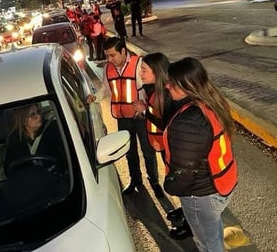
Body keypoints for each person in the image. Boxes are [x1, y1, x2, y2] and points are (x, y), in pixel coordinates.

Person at [163, 57, 238, 251]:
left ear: (188, 86)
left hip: (201, 194)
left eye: (172, 82)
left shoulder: (190, 121)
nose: (167, 86)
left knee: (206, 243)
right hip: (221, 184)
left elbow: (184, 171)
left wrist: (170, 185)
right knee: (213, 234)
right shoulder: (212, 102)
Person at [86, 37, 162, 197]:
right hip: (122, 117)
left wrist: (146, 109)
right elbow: (106, 89)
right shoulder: (108, 69)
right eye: (107, 56)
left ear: (123, 51)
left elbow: (151, 88)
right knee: (129, 151)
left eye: (112, 55)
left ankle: (154, 182)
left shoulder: (138, 66)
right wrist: (96, 97)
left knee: (148, 151)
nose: (109, 59)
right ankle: (136, 180)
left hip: (140, 117)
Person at [133, 52, 192, 239]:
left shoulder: (166, 94)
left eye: (144, 70)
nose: (140, 73)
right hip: (163, 145)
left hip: (173, 148)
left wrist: (145, 112)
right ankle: (186, 212)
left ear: (157, 72)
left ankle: (191, 224)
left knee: (184, 185)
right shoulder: (152, 90)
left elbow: (169, 124)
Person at [3, 103, 65, 176]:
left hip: (53, 177)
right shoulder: (15, 140)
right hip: (28, 181)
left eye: (38, 112)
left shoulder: (53, 129)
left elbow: (63, 158)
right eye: (33, 115)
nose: (38, 116)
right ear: (23, 120)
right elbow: (10, 168)